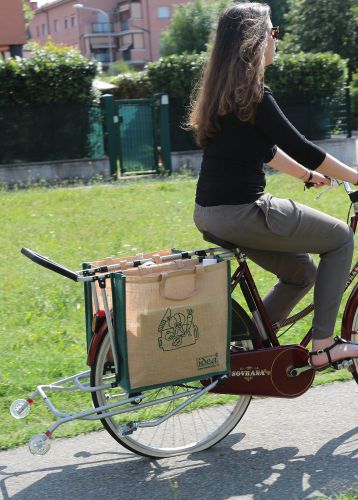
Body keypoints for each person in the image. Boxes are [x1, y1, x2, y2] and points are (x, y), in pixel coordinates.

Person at [189, 2, 358, 369]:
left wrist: (306, 176)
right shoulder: (255, 96)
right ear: (256, 40)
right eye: (273, 32)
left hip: (211, 214)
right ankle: (324, 346)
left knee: (302, 274)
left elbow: (266, 150)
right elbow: (302, 147)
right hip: (243, 211)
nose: (276, 40)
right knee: (341, 238)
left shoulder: (225, 94)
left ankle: (249, 348)